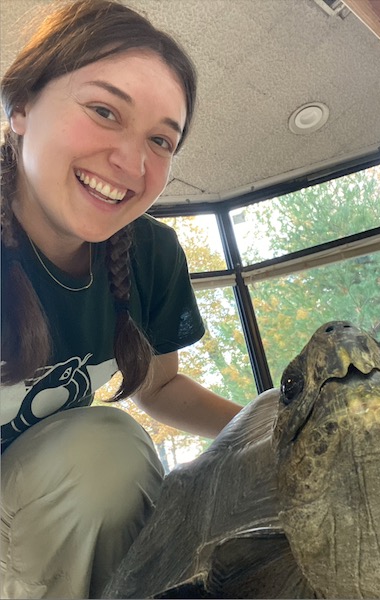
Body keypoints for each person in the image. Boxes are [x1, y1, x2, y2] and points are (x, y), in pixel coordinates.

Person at [0, 1, 243, 597]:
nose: (132, 163)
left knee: (109, 453)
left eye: (162, 140)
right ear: (21, 107)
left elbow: (159, 387)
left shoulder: (151, 256)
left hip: (36, 513)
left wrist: (274, 431)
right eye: (105, 110)